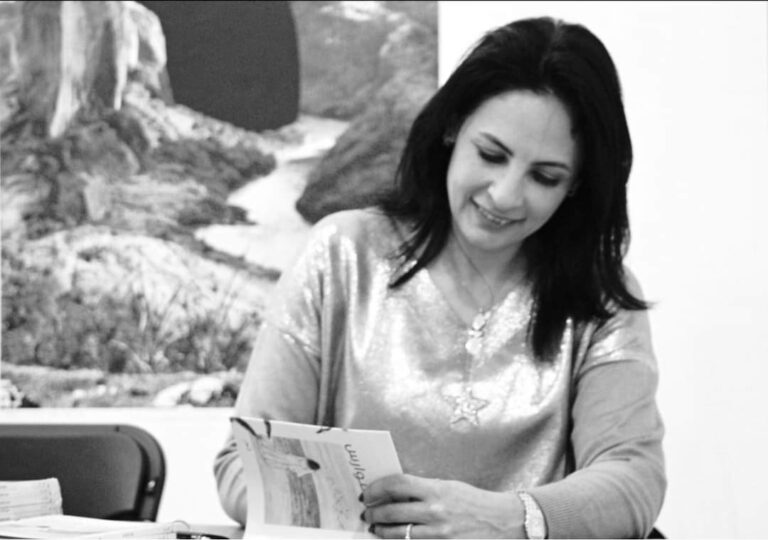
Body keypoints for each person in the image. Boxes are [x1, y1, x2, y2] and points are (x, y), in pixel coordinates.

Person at [214, 16, 665, 539]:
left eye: (545, 177)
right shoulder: (342, 256)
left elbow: (633, 479)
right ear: (452, 129)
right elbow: (242, 465)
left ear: (577, 185)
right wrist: (379, 525)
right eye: (491, 155)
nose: (505, 195)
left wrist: (508, 518)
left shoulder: (599, 299)